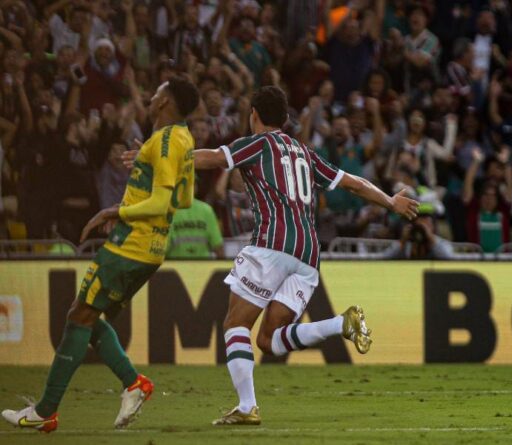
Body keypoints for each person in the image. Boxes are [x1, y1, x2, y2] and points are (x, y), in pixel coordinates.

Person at [177, 86, 418, 425]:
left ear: (254, 116)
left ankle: (247, 408)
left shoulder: (258, 144)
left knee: (236, 325)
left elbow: (215, 158)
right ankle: (341, 323)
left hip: (271, 245)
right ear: (287, 119)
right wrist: (391, 201)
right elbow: (353, 183)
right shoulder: (305, 152)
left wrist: (167, 159)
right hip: (308, 253)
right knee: (268, 341)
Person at [1, 77, 200, 432]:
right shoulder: (180, 139)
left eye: (157, 93)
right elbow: (184, 199)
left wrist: (114, 212)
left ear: (164, 102)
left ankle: (46, 411)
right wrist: (147, 160)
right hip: (149, 248)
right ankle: (132, 384)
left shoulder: (168, 140)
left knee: (79, 316)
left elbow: (163, 200)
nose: (151, 97)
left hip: (131, 244)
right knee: (86, 317)